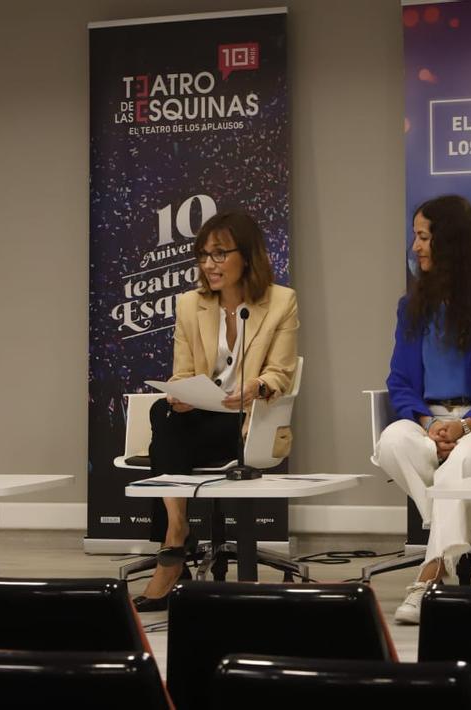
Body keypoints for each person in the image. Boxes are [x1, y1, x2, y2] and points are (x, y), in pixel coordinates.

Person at [375, 195, 471, 625]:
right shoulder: (411, 307)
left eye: (423, 237)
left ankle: (428, 577)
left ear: (450, 243)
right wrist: (428, 423)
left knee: (460, 461)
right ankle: (447, 541)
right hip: (429, 422)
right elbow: (400, 383)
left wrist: (463, 426)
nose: (415, 247)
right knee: (392, 441)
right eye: (416, 237)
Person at [133, 211, 299, 611]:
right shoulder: (191, 304)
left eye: (219, 254)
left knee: (164, 437)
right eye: (204, 255)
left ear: (247, 256)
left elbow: (281, 373)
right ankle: (176, 532)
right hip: (200, 418)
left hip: (247, 422)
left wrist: (256, 386)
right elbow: (184, 372)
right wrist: (182, 394)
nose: (209, 264)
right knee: (164, 413)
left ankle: (172, 550)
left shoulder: (281, 301)